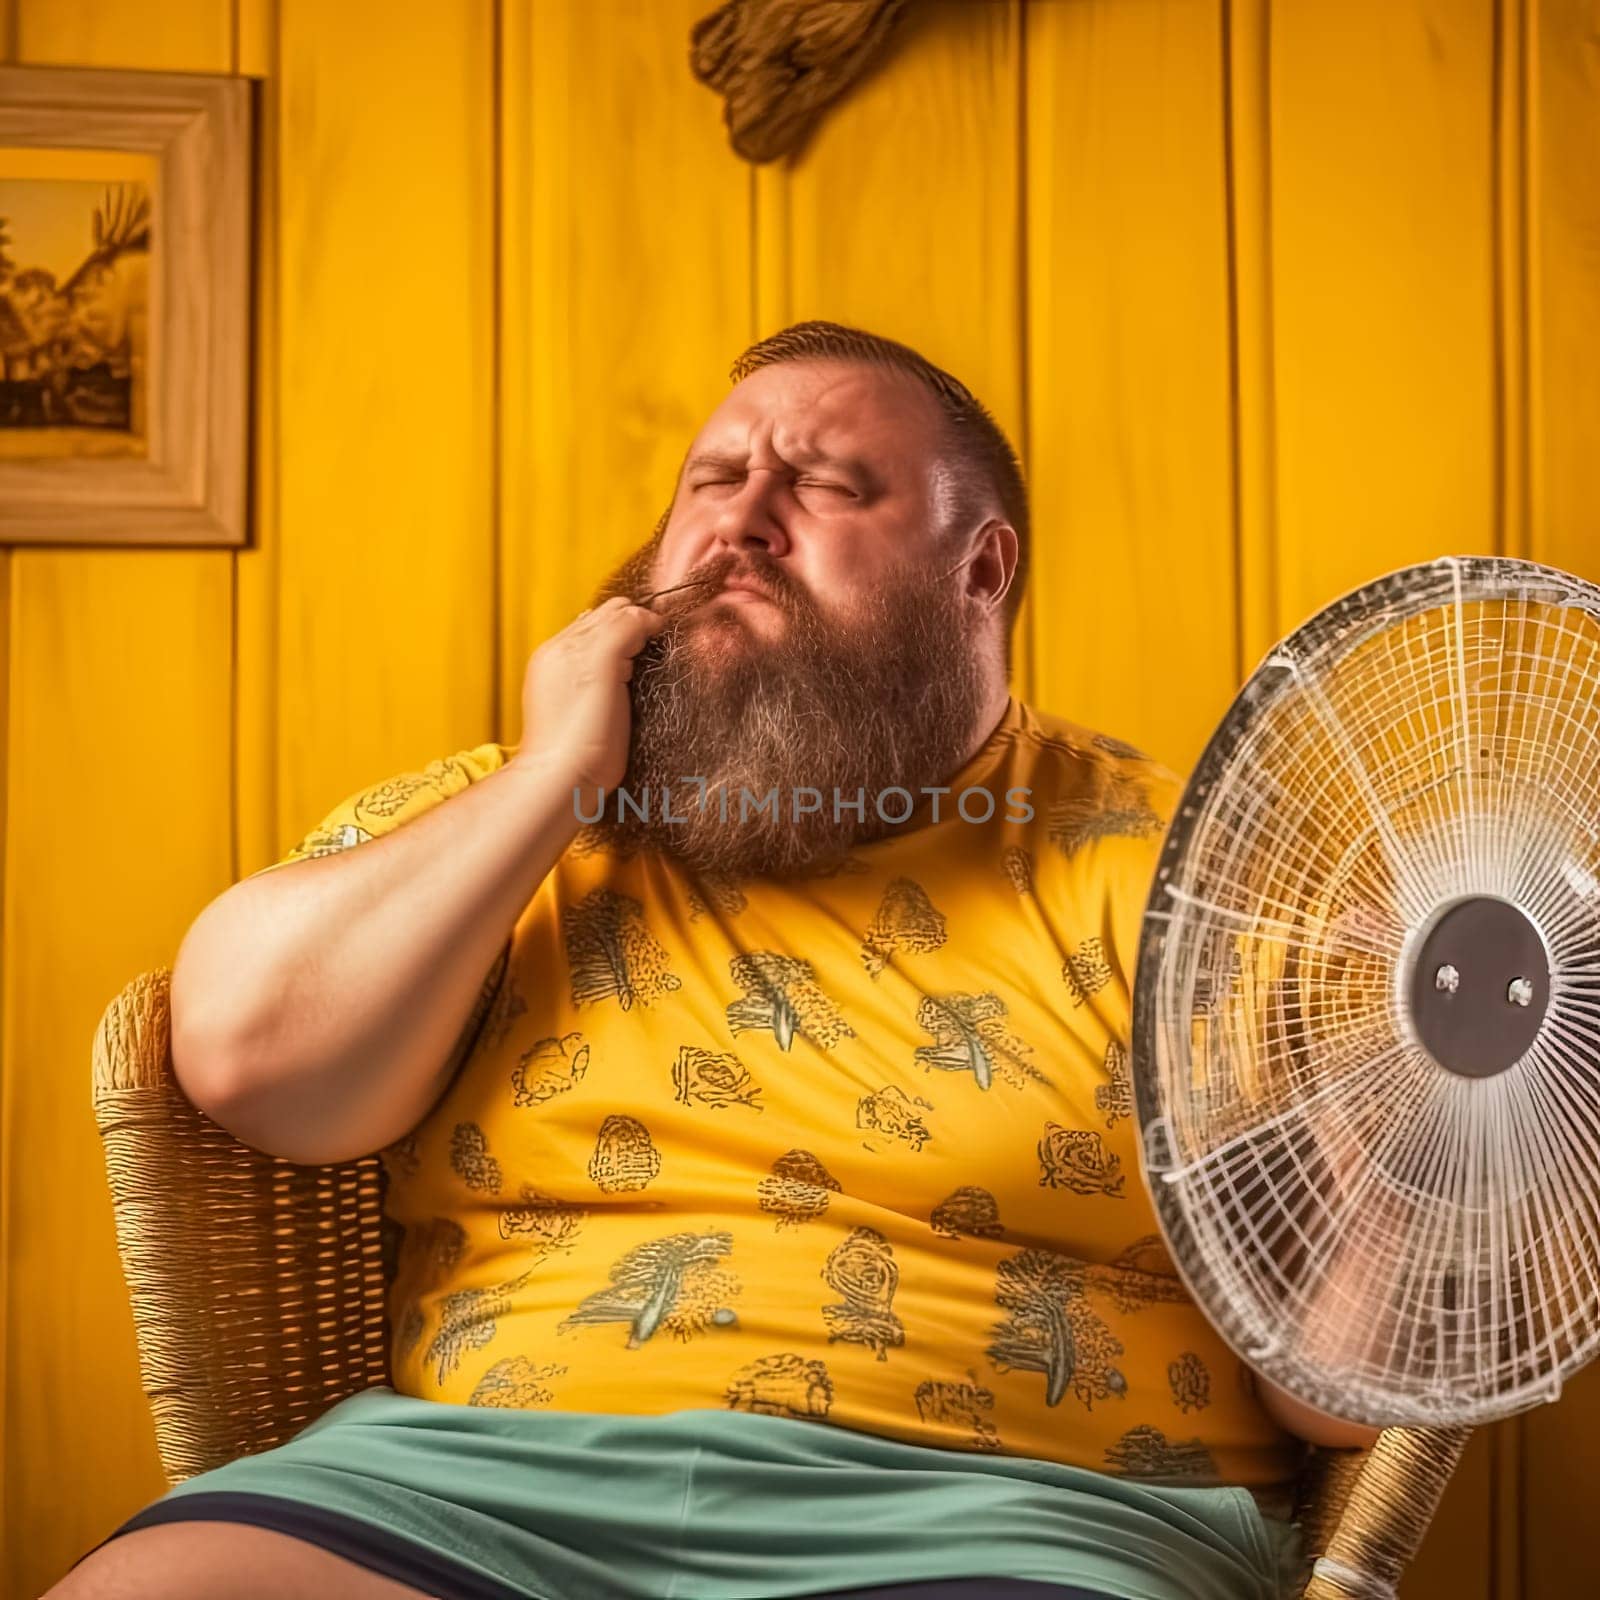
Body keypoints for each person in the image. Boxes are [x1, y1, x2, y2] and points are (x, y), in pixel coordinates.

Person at [52, 321, 1376, 1600]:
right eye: (715, 477)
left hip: (1019, 1517)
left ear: (980, 572)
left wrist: (1440, 1103)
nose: (744, 519)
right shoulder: (510, 828)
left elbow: (1326, 1390)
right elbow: (244, 1066)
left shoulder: (1192, 879)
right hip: (467, 1492)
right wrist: (554, 780)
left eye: (823, 485)